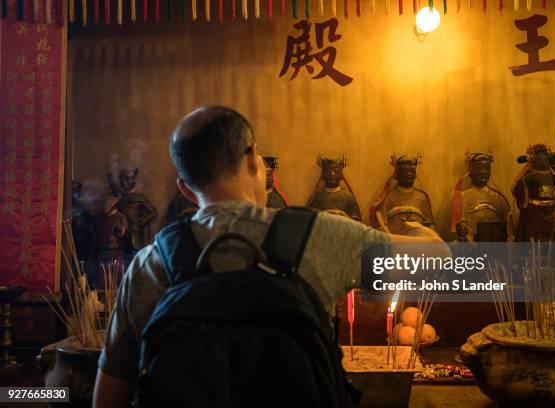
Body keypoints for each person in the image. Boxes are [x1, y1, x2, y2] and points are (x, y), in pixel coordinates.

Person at [93, 106, 445, 408]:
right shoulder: (318, 236)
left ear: (185, 188)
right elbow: (437, 258)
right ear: (253, 159)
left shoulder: (150, 264)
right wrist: (414, 227)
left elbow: (110, 395)